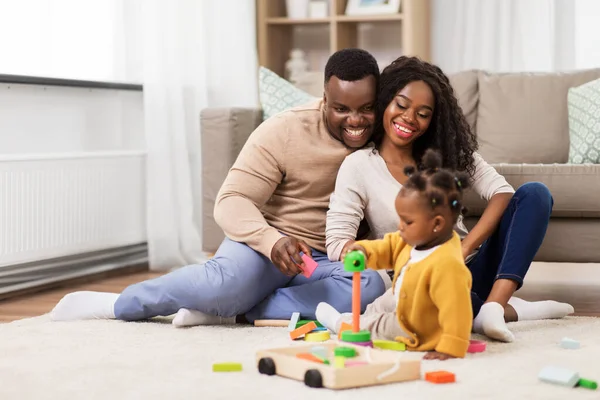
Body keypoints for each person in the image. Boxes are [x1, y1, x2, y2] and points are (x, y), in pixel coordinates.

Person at [49, 48, 390, 325]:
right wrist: (272, 241)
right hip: (266, 246)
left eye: (366, 109)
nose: (356, 121)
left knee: (370, 285)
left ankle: (228, 311)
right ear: (324, 99)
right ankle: (119, 303)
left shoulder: (388, 133)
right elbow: (231, 199)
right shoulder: (286, 130)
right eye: (341, 109)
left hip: (322, 262)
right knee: (224, 284)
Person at [325, 56, 574, 343]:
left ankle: (494, 305)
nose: (409, 118)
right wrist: (359, 254)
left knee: (535, 194)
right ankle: (508, 311)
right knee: (433, 311)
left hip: (470, 266)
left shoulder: (444, 151)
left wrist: (465, 247)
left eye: (423, 113)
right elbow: (336, 243)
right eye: (402, 105)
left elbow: (502, 192)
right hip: (419, 279)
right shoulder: (359, 166)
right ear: (385, 101)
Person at [317, 149, 473, 360]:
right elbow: (387, 248)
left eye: (407, 222)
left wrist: (451, 346)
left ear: (437, 224)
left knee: (379, 324)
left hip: (416, 327)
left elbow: (457, 310)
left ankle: (342, 324)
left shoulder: (448, 264)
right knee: (378, 305)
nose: (400, 226)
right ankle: (360, 317)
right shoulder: (412, 240)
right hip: (406, 298)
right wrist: (364, 250)